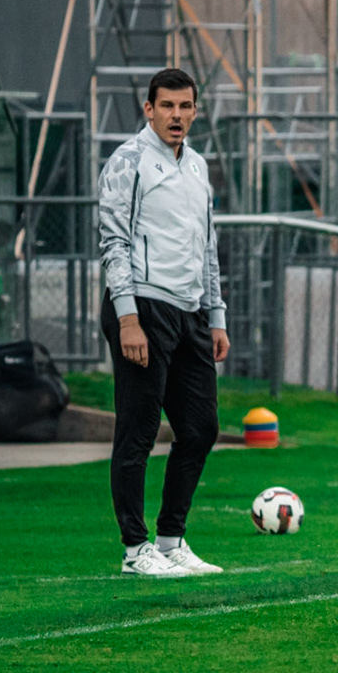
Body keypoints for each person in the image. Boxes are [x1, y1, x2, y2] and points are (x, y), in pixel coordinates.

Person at [98, 68, 229, 578]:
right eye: (167, 106)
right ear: (148, 109)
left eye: (186, 106)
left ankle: (172, 540)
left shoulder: (197, 167)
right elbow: (114, 241)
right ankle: (135, 549)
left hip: (191, 311)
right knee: (139, 430)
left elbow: (208, 248)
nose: (177, 115)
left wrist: (215, 316)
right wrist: (127, 317)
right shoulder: (128, 161)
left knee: (200, 428)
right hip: (143, 309)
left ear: (196, 111)